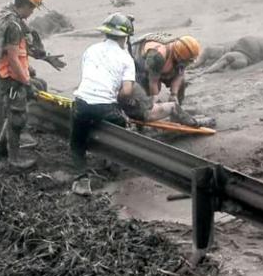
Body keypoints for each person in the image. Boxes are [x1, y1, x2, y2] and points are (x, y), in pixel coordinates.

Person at [0, 0, 45, 169]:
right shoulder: (13, 26)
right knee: (17, 118)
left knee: (13, 113)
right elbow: (12, 58)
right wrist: (26, 82)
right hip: (10, 76)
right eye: (32, 8)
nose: (32, 13)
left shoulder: (5, 14)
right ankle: (14, 158)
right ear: (26, 5)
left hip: (3, 73)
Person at [70, 12, 136, 171]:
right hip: (106, 108)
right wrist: (118, 103)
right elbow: (127, 92)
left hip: (81, 104)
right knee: (120, 125)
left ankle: (81, 178)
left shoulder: (90, 50)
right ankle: (111, 162)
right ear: (125, 37)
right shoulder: (126, 58)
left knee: (77, 143)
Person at [130, 33, 201, 105]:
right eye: (185, 61)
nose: (187, 64)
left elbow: (180, 74)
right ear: (178, 56)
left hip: (163, 63)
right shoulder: (157, 56)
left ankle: (179, 104)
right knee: (145, 92)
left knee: (181, 83)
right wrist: (156, 101)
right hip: (141, 60)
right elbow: (153, 82)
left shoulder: (182, 55)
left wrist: (174, 94)